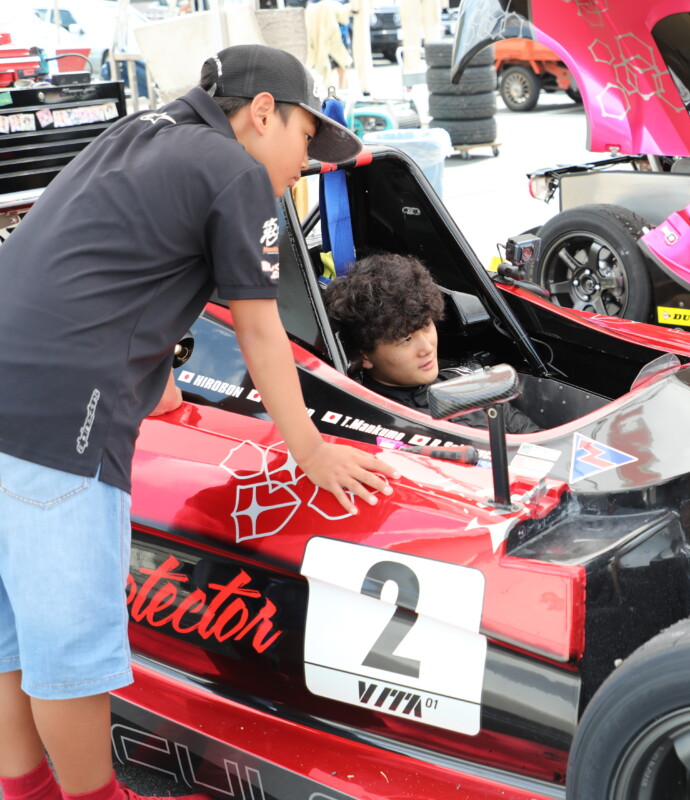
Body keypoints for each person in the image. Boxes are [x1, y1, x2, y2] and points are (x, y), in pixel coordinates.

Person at [0, 44, 397, 800]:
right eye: (306, 138)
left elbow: (107, 269)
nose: (306, 165)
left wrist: (158, 390)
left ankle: (24, 789)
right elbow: (259, 330)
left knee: (11, 641)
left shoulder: (135, 134)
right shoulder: (235, 171)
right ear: (261, 113)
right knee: (68, 652)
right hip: (57, 429)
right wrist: (311, 451)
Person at [324, 254, 541, 433]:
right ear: (365, 355)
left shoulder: (464, 380)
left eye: (426, 325)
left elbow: (534, 439)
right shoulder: (373, 425)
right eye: (406, 339)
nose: (427, 348)